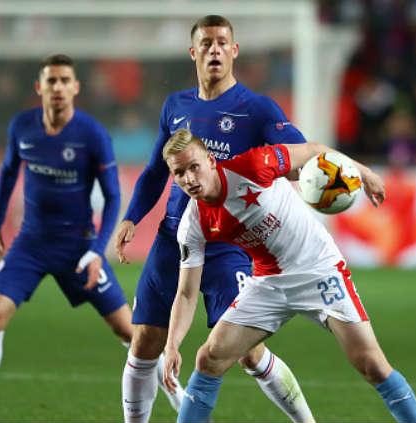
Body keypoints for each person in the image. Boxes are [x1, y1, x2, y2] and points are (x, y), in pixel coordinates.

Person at [115, 15, 314, 423]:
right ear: (194, 53)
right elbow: (156, 170)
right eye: (206, 43)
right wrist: (133, 216)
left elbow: (299, 155)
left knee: (247, 352)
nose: (215, 49)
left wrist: (318, 178)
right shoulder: (176, 106)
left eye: (223, 42)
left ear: (234, 51)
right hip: (175, 238)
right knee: (145, 341)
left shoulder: (257, 109)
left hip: (230, 246)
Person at [0, 54, 181, 423]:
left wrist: (97, 252)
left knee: (130, 330)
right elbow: (7, 173)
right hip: (30, 244)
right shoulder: (22, 128)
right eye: (52, 81)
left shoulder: (92, 135)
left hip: (79, 246)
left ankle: (183, 403)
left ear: (75, 88)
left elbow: (113, 198)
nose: (58, 87)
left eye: (65, 81)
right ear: (40, 88)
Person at [161, 128, 416, 423]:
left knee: (372, 365)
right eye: (179, 172)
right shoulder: (193, 223)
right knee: (209, 358)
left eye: (194, 166)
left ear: (210, 161)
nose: (189, 178)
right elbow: (186, 293)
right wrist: (172, 345)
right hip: (267, 284)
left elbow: (313, 150)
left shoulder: (253, 165)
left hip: (318, 270)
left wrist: (364, 174)